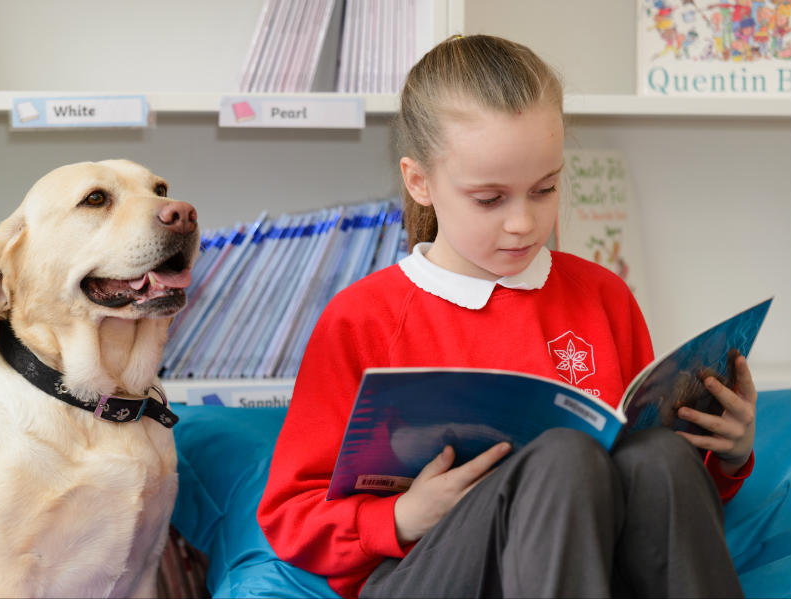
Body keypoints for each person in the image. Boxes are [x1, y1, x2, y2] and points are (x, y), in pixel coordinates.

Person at [257, 34, 756, 598]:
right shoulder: (363, 318)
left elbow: (656, 493)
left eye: (544, 190)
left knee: (660, 456)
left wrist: (727, 453)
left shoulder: (602, 294)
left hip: (598, 563)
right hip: (430, 573)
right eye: (490, 199)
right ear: (420, 181)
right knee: (565, 458)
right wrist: (397, 517)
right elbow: (290, 516)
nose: (523, 222)